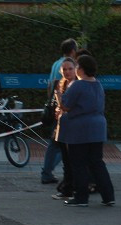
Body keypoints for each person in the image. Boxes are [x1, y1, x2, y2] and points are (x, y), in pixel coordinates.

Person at [57, 54, 115, 207]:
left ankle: (81, 197)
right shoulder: (98, 84)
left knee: (79, 163)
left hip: (80, 128)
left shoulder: (78, 85)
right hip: (98, 127)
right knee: (97, 162)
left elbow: (66, 105)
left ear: (80, 69)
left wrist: (58, 96)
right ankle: (108, 195)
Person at [40, 40, 77, 184]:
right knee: (64, 143)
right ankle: (50, 171)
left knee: (54, 141)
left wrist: (52, 103)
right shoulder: (71, 64)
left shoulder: (56, 63)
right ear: (73, 50)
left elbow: (51, 85)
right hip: (65, 109)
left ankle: (47, 171)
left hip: (56, 107)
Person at [52, 57, 78, 201]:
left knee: (71, 160)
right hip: (63, 126)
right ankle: (68, 188)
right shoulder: (63, 84)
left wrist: (59, 99)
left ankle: (70, 189)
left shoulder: (76, 85)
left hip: (73, 128)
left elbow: (67, 106)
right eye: (64, 69)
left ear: (75, 69)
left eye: (70, 69)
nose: (67, 72)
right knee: (66, 160)